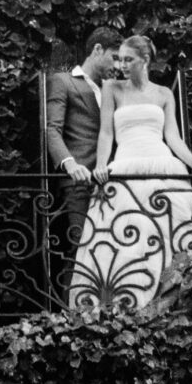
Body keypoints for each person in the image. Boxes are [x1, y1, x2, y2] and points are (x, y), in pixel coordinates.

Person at [68, 34, 192, 311]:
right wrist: (101, 166)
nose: (122, 65)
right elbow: (106, 133)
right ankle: (120, 306)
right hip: (126, 165)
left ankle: (162, 305)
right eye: (119, 58)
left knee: (164, 234)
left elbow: (174, 139)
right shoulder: (112, 88)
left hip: (161, 165)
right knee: (123, 235)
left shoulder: (164, 94)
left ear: (145, 60)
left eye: (129, 59)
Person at [46, 27, 123, 299]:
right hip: (79, 182)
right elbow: (52, 129)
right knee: (80, 248)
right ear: (97, 50)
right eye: (114, 57)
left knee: (115, 251)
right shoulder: (63, 81)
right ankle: (71, 319)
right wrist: (69, 164)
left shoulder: (113, 89)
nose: (118, 65)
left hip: (115, 182)